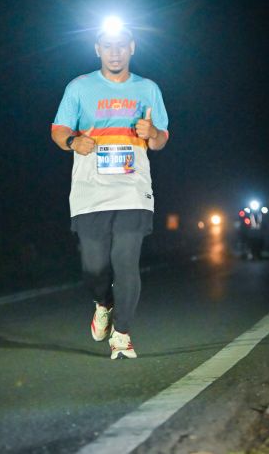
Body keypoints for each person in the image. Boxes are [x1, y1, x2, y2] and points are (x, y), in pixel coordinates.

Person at [51, 19, 169, 360]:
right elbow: (58, 130)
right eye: (107, 46)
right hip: (90, 189)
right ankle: (103, 303)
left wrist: (152, 133)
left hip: (133, 189)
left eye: (121, 46)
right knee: (94, 266)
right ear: (97, 49)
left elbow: (161, 139)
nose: (114, 52)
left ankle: (122, 333)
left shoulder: (148, 88)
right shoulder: (79, 87)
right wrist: (73, 141)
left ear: (131, 48)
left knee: (126, 261)